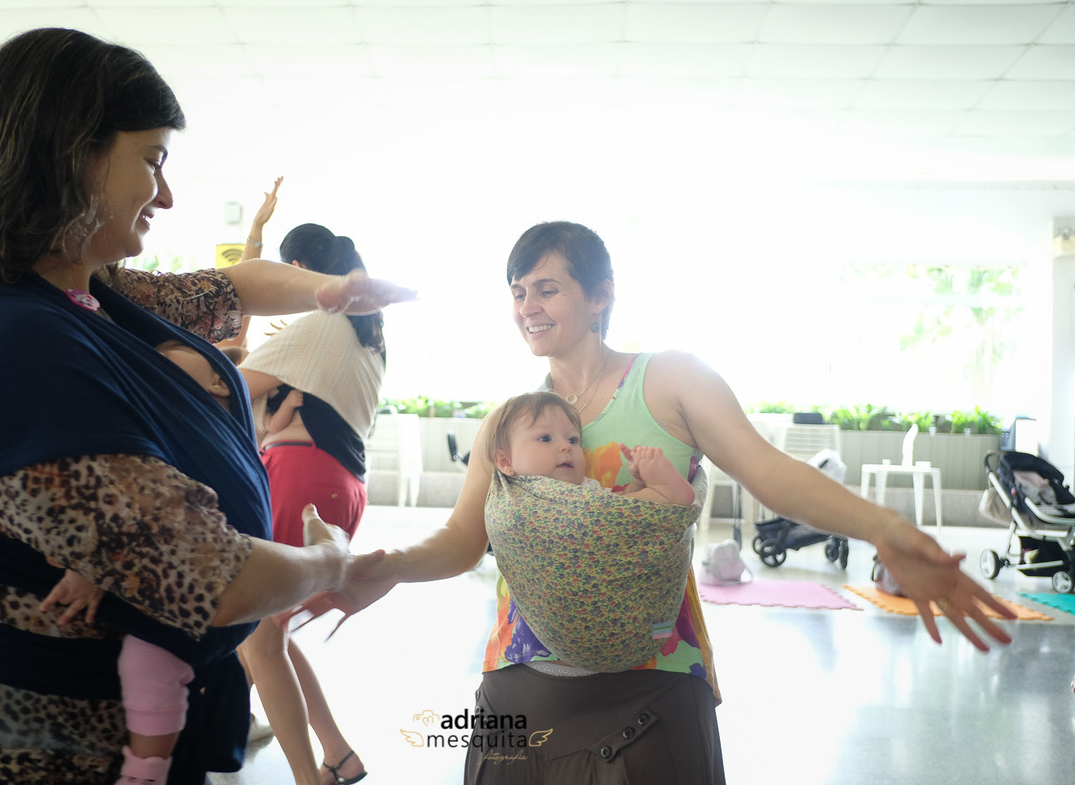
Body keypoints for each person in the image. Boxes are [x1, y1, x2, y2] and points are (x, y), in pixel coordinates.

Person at [0, 27, 413, 785]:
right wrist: (332, 560)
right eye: (153, 160)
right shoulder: (6, 340)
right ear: (72, 153)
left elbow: (232, 286)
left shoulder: (87, 292)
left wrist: (328, 292)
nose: (166, 193)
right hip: (22, 745)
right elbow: (217, 578)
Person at [304, 220, 1015, 784]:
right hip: (522, 684)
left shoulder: (670, 380)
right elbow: (463, 539)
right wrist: (389, 564)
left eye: (547, 288)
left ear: (601, 295)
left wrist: (885, 528)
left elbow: (766, 469)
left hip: (653, 682)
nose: (528, 307)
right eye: (518, 292)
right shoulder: (512, 419)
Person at [39, 340, 240, 785]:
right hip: (183, 576)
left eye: (175, 371)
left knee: (147, 662)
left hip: (200, 581)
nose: (163, 379)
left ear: (219, 382)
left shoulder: (217, 434)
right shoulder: (161, 433)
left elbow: (155, 524)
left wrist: (95, 572)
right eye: (154, 377)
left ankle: (146, 772)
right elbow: (130, 508)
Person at [234, 221, 385, 785]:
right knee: (265, 633)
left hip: (300, 477)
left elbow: (225, 384)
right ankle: (336, 754)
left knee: (255, 633)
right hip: (338, 485)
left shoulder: (321, 323)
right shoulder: (366, 331)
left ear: (297, 273)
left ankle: (306, 776)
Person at [488, 389, 695, 505]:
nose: (565, 447)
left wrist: (639, 482)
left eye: (573, 440)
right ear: (506, 462)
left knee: (634, 502)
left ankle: (666, 490)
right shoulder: (509, 499)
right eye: (545, 438)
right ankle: (667, 491)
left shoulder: (588, 491)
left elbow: (623, 506)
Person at [214, 177, 283, 359]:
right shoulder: (223, 348)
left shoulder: (223, 344)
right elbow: (244, 285)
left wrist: (257, 226)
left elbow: (243, 283)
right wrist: (257, 226)